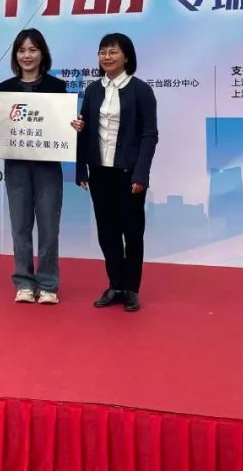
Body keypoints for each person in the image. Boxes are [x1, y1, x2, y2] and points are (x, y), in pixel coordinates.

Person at [0, 28, 83, 305]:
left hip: (48, 167)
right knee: (20, 226)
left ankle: (48, 284)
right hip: (16, 166)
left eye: (33, 50)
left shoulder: (57, 87)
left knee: (48, 227)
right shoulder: (5, 88)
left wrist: (74, 126)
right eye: (21, 50)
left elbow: (63, 125)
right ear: (15, 55)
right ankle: (23, 281)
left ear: (42, 54)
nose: (27, 55)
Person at [76, 33, 158, 313]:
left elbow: (149, 135)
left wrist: (141, 174)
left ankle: (132, 288)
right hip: (100, 171)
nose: (107, 57)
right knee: (107, 232)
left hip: (129, 173)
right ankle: (115, 285)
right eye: (103, 52)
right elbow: (84, 130)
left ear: (127, 57)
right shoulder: (92, 90)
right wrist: (81, 168)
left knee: (132, 232)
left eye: (113, 52)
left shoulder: (141, 90)